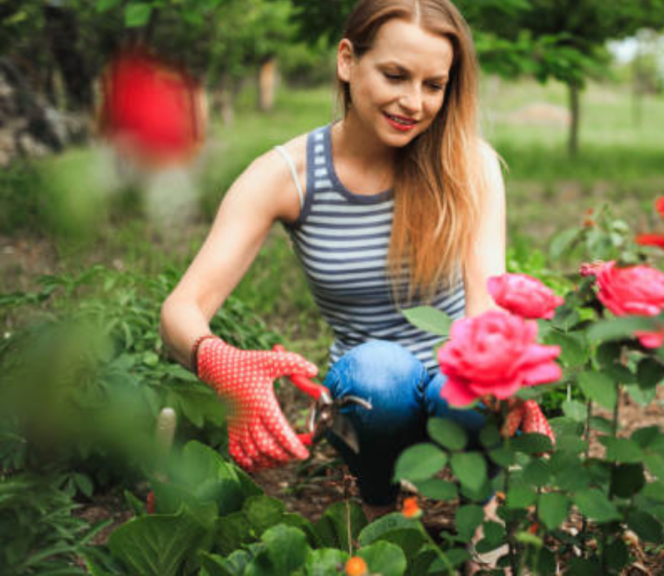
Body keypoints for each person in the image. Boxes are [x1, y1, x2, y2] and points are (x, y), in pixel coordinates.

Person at [159, 0, 505, 532]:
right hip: (368, 400)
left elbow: (487, 310)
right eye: (394, 75)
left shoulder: (469, 162)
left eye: (433, 85)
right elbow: (181, 309)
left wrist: (507, 379)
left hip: (455, 390)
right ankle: (382, 517)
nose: (413, 102)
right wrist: (217, 361)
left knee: (466, 383)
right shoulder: (286, 175)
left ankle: (485, 525)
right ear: (347, 61)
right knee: (381, 374)